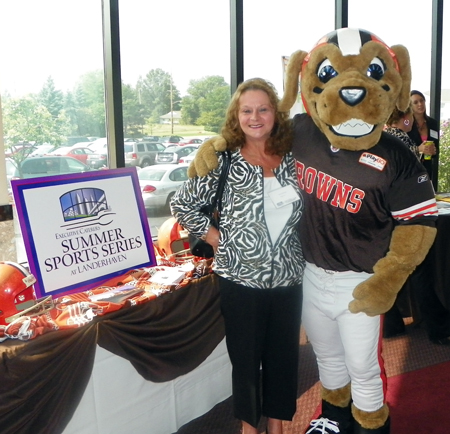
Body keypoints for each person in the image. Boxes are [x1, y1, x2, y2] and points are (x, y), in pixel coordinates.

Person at [171, 78, 305, 434]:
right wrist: (216, 238)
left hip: (289, 277)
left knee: (283, 358)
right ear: (237, 115)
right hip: (241, 279)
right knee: (245, 360)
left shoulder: (292, 158)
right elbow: (182, 204)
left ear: (275, 113)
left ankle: (276, 425)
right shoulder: (223, 159)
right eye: (247, 110)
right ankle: (249, 427)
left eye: (262, 109)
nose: (255, 117)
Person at [408, 90, 439, 188]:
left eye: (422, 100)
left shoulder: (433, 123)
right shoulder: (407, 125)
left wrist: (434, 151)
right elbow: (401, 150)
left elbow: (436, 148)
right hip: (411, 171)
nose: (420, 104)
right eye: (415, 102)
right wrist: (419, 149)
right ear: (410, 106)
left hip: (427, 170)